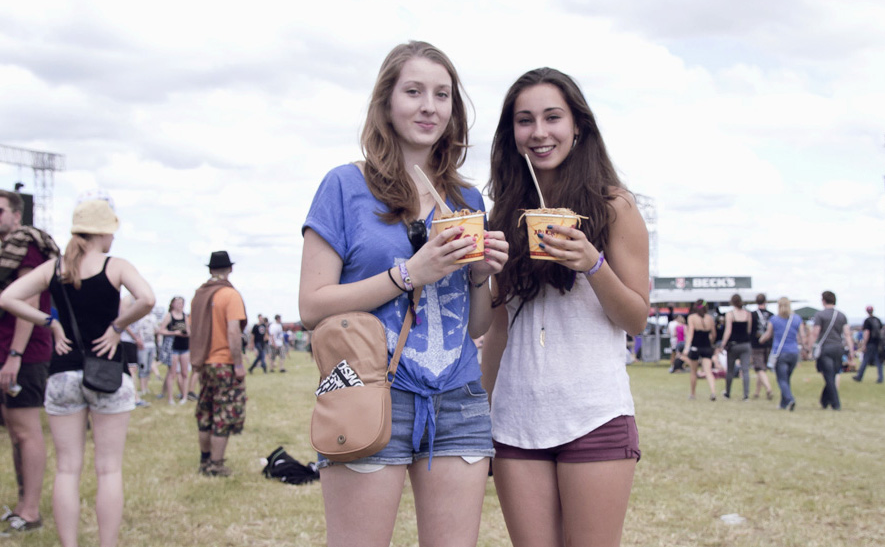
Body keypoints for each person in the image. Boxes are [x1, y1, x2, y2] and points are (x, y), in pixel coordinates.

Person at [299, 41, 509, 547]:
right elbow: (311, 305)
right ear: (387, 103)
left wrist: (481, 276)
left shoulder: (467, 199)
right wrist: (409, 274)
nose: (429, 106)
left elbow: (475, 326)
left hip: (458, 395)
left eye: (442, 94)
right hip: (368, 388)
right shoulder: (345, 186)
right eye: (413, 91)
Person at [483, 67, 649, 547]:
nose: (539, 132)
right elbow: (497, 331)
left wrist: (593, 264)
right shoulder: (502, 215)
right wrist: (482, 408)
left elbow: (635, 319)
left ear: (578, 125)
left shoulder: (614, 206)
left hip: (594, 414)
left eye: (552, 117)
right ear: (511, 134)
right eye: (524, 120)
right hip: (516, 422)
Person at [0, 194, 155, 547]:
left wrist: (49, 323)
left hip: (62, 374)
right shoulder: (115, 265)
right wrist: (116, 329)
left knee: (67, 468)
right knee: (108, 469)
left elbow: (7, 297)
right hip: (109, 375)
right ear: (104, 232)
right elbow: (146, 298)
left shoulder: (54, 268)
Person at [0, 189, 59, 534]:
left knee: (25, 430)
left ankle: (32, 510)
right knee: (15, 431)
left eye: (0, 211)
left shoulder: (27, 245)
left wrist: (15, 356)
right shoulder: (7, 252)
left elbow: (30, 300)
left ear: (16, 213)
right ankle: (23, 504)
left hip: (23, 353)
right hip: (9, 352)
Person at [189, 251, 247, 477]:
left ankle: (204, 460)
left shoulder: (199, 296)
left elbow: (193, 329)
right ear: (229, 269)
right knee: (224, 414)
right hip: (224, 362)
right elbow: (233, 332)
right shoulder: (229, 295)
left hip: (204, 362)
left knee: (206, 411)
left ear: (210, 269)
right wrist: (239, 364)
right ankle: (216, 464)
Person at [807, 291, 854, 410]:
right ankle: (824, 400)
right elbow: (847, 334)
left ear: (823, 301)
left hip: (826, 348)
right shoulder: (842, 315)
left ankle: (835, 403)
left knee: (828, 375)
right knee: (833, 374)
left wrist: (809, 348)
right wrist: (851, 351)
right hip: (839, 348)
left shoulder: (820, 315)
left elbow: (815, 332)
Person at [759, 296, 807, 410]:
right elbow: (802, 336)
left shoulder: (774, 320)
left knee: (781, 379)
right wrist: (805, 347)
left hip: (780, 353)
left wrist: (761, 339)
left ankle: (790, 399)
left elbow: (768, 334)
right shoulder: (797, 319)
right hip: (794, 352)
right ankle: (783, 403)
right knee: (786, 379)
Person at [718, 294, 752, 401]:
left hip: (733, 345)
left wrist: (723, 344)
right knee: (745, 370)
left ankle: (728, 392)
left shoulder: (730, 314)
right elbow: (749, 330)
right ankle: (746, 394)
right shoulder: (747, 314)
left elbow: (728, 330)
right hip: (745, 344)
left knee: (730, 370)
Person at [157, 297, 191, 403]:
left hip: (184, 347)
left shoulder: (185, 316)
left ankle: (184, 396)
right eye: (178, 303)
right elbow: (161, 330)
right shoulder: (169, 316)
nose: (180, 305)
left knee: (185, 373)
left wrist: (185, 333)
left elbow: (189, 331)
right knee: (172, 373)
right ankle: (170, 398)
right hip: (173, 348)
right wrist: (173, 333)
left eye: (182, 303)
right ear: (173, 304)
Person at [683, 300, 718, 401]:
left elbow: (690, 334)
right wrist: (710, 342)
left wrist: (686, 347)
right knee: (708, 371)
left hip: (695, 347)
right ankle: (713, 392)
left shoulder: (692, 318)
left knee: (693, 371)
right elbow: (713, 335)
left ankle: (693, 394)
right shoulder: (710, 319)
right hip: (707, 347)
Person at [750, 293, 774, 400]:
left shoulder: (753, 315)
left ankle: (768, 388)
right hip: (768, 344)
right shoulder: (771, 315)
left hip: (756, 344)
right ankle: (757, 392)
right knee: (763, 367)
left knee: (759, 368)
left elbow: (749, 330)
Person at [852, 305, 884, 383]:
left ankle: (859, 376)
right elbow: (882, 331)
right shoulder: (877, 320)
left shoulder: (867, 321)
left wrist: (864, 344)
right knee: (879, 361)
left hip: (870, 343)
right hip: (878, 343)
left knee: (865, 360)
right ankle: (880, 378)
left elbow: (867, 333)